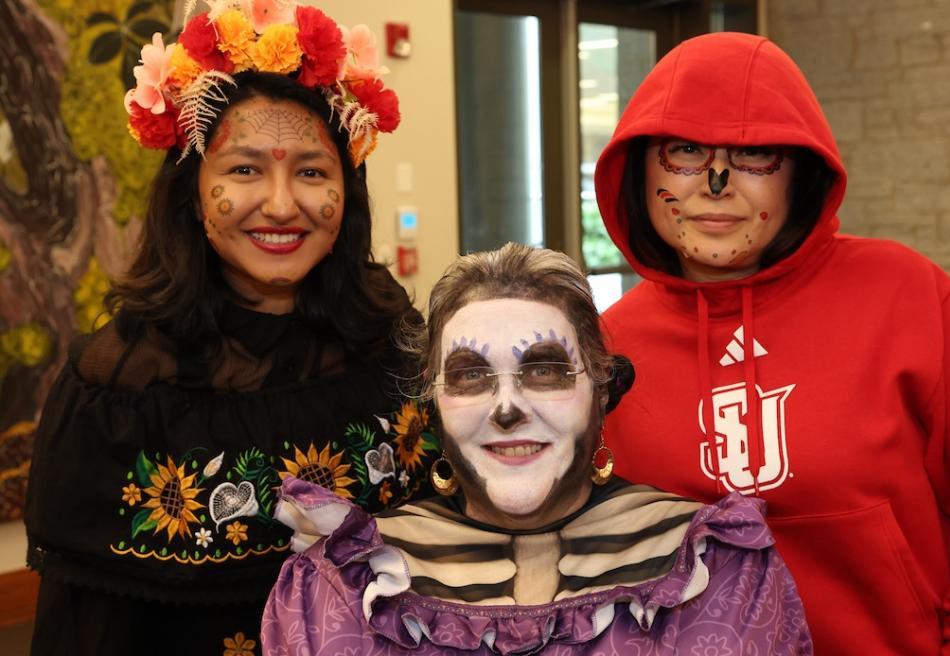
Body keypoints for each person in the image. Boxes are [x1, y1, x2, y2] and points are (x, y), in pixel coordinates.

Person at [594, 32, 950, 655]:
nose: (716, 182)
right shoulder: (608, 349)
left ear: (800, 172)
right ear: (638, 168)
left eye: (754, 154)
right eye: (685, 151)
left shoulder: (906, 297)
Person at [23, 3, 437, 653]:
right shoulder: (118, 389)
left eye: (311, 171)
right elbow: (86, 628)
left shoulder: (392, 341)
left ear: (345, 194)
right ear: (193, 191)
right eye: (244, 169)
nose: (280, 204)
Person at [261, 243, 812, 655]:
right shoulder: (344, 583)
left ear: (600, 390)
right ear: (432, 405)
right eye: (471, 376)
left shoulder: (716, 566)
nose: (507, 408)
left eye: (544, 371)